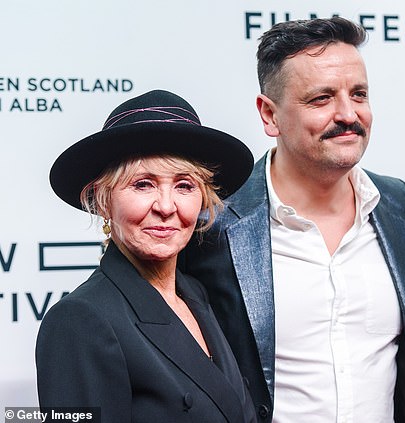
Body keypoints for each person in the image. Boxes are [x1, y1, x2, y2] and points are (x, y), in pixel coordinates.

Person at [179, 17, 405, 423]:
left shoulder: (397, 204)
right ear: (269, 115)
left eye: (359, 94)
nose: (348, 114)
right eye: (321, 99)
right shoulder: (214, 223)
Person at [36, 89, 257, 423]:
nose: (166, 207)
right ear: (103, 199)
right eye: (143, 184)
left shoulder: (196, 294)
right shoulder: (78, 321)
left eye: (184, 186)